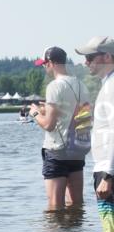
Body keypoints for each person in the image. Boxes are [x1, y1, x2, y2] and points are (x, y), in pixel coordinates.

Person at [28, 46, 90, 211]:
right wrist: (47, 110)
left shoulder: (54, 86)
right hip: (76, 150)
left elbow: (49, 125)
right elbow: (78, 116)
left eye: (44, 64)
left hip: (57, 151)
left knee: (55, 209)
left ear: (50, 63)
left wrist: (34, 113)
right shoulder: (81, 85)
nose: (43, 67)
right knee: (76, 205)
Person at [77, 35, 114, 232]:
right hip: (107, 167)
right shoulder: (108, 84)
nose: (86, 62)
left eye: (90, 57)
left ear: (107, 56)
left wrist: (108, 175)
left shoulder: (112, 86)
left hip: (108, 171)